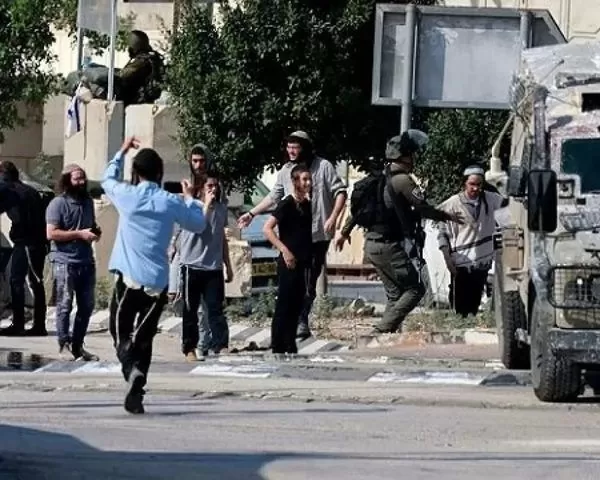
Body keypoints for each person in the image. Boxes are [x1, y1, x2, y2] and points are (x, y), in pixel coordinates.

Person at [102, 137, 206, 414]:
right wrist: (191, 200)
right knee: (145, 336)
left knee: (119, 332)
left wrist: (122, 152)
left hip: (128, 278)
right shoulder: (169, 201)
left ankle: (131, 369)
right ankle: (138, 388)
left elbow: (107, 179)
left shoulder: (126, 196)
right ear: (160, 173)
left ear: (136, 173)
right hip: (158, 281)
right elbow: (198, 224)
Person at [336, 131, 463, 334]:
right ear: (405, 156)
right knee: (415, 289)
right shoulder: (403, 180)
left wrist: (344, 233)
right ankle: (380, 330)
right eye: (411, 155)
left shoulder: (379, 177)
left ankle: (384, 336)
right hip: (388, 246)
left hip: (372, 244)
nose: (414, 159)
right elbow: (423, 208)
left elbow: (357, 212)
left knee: (395, 294)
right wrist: (448, 216)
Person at [238, 131, 346, 340]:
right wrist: (252, 213)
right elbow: (273, 196)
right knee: (292, 281)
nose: (291, 151)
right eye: (289, 147)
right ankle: (292, 321)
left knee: (309, 280)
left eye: (295, 146)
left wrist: (333, 217)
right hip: (293, 238)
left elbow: (340, 192)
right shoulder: (286, 171)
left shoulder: (323, 166)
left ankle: (301, 320)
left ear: (305, 147)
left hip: (318, 235)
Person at [46, 164, 100, 360]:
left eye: (83, 178)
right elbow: (51, 233)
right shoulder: (58, 204)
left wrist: (95, 233)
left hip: (86, 261)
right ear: (67, 180)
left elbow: (91, 226)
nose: (81, 182)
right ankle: (64, 343)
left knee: (87, 306)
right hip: (65, 262)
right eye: (77, 179)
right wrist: (79, 234)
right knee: (64, 304)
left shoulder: (87, 202)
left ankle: (78, 346)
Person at [437, 165, 507, 317]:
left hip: (482, 262)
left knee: (474, 303)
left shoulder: (490, 199)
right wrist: (447, 259)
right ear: (465, 183)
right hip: (461, 263)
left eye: (479, 184)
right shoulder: (453, 204)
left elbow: (510, 205)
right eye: (472, 184)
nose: (475, 188)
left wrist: (500, 184)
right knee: (460, 304)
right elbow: (442, 233)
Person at [179, 173, 233, 361]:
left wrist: (227, 264)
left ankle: (221, 345)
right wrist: (207, 206)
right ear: (201, 189)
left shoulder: (221, 209)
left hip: (213, 267)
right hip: (192, 266)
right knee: (190, 310)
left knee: (216, 309)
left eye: (216, 186)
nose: (214, 189)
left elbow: (221, 237)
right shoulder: (191, 206)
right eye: (210, 186)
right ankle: (189, 348)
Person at [263, 164, 312, 354]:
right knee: (284, 303)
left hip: (303, 261)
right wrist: (284, 250)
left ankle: (290, 343)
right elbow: (267, 228)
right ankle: (278, 344)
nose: (307, 183)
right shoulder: (287, 204)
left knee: (297, 303)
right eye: (304, 179)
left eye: (309, 179)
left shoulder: (307, 205)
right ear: (295, 181)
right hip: (288, 262)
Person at [0, 161, 48, 337]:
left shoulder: (11, 191)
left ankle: (21, 324)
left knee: (20, 280)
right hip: (36, 242)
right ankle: (37, 324)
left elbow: (13, 213)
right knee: (34, 282)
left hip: (27, 242)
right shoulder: (29, 190)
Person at [118, 30, 165, 106]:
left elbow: (122, 75)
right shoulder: (152, 58)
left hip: (136, 102)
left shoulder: (142, 61)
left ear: (133, 47)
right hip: (144, 100)